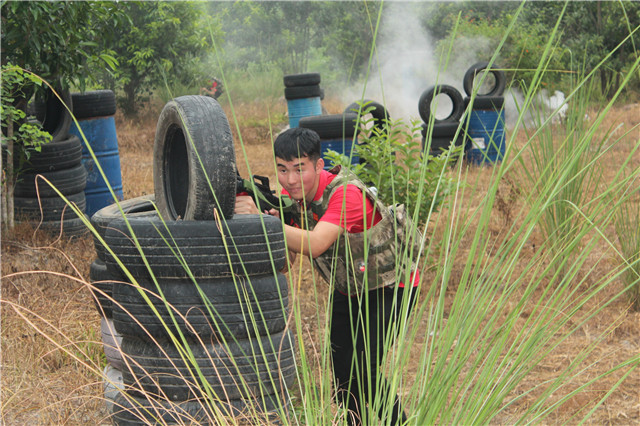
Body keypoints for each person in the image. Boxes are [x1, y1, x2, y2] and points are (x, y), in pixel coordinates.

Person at [235, 127, 420, 425]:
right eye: (282, 169)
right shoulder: (290, 197)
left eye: (299, 169)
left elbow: (316, 243)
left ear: (318, 165)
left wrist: (259, 222)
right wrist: (263, 226)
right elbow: (287, 263)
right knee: (343, 374)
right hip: (349, 289)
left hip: (389, 286)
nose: (291, 180)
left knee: (366, 371)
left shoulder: (346, 194)